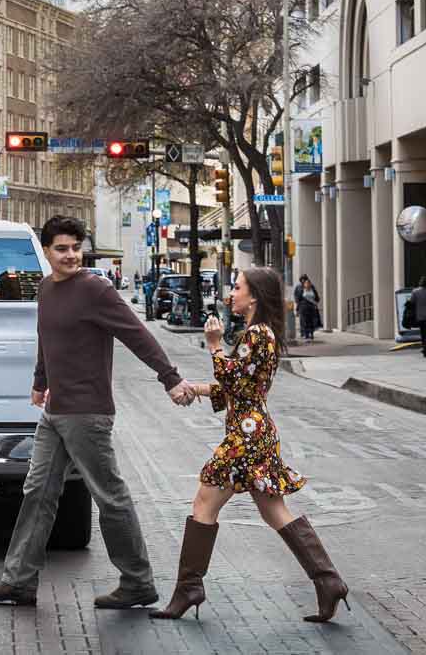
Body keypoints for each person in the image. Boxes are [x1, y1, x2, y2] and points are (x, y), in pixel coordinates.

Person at [0, 215, 190, 610]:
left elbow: (136, 334)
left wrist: (170, 378)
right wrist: (40, 382)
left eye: (76, 247)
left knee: (110, 496)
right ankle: (19, 580)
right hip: (55, 411)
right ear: (46, 251)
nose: (71, 255)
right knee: (37, 491)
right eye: (62, 248)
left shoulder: (94, 289)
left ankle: (138, 582)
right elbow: (46, 340)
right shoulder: (45, 289)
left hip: (88, 413)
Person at [154, 266, 348, 625]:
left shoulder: (257, 334)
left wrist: (213, 347)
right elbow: (241, 387)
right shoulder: (261, 334)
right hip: (256, 431)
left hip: (246, 437)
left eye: (238, 286)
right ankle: (328, 580)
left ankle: (188, 588)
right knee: (274, 511)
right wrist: (196, 388)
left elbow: (233, 380)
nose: (232, 291)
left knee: (203, 502)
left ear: (254, 296)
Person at [294, 275, 322, 342]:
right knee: (304, 321)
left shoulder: (312, 288)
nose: (304, 281)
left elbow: (317, 297)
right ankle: (305, 334)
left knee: (312, 321)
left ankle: (311, 333)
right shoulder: (299, 288)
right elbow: (297, 298)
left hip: (311, 307)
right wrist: (298, 308)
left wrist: (315, 302)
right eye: (302, 280)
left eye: (305, 280)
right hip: (303, 307)